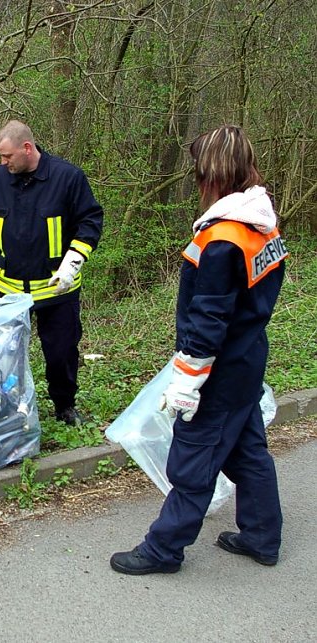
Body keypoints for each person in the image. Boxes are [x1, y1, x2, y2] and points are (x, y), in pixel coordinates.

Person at [110, 125, 288, 575]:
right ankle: (262, 536)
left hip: (219, 371)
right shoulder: (261, 223)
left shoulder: (224, 238)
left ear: (211, 175)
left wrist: (187, 382)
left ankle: (163, 549)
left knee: (193, 460)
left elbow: (209, 319)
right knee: (247, 449)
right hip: (247, 357)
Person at [0, 120, 103, 426]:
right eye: (0, 156)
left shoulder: (67, 178)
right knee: (2, 354)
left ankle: (64, 406)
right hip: (8, 291)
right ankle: (3, 406)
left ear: (27, 148)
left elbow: (90, 221)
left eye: (7, 156)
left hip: (57, 290)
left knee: (61, 353)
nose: (3, 162)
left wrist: (72, 264)